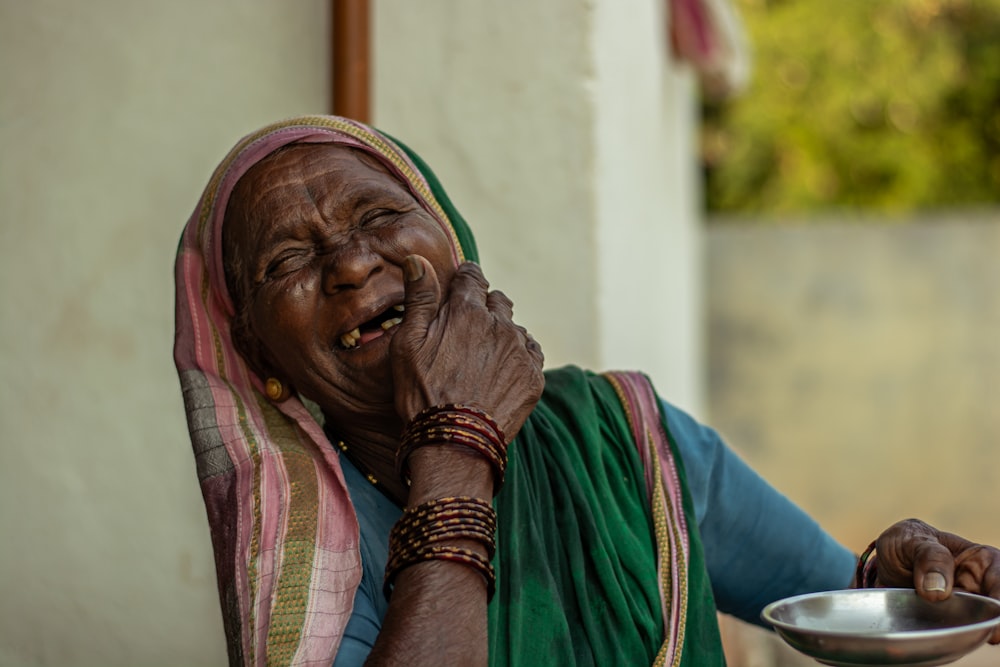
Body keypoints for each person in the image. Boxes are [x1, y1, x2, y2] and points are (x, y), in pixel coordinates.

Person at [174, 115, 1000, 667]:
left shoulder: (622, 438)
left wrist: (908, 589)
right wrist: (459, 446)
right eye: (286, 261)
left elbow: (842, 602)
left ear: (452, 242)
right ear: (255, 345)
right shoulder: (300, 546)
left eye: (379, 216)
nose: (352, 263)